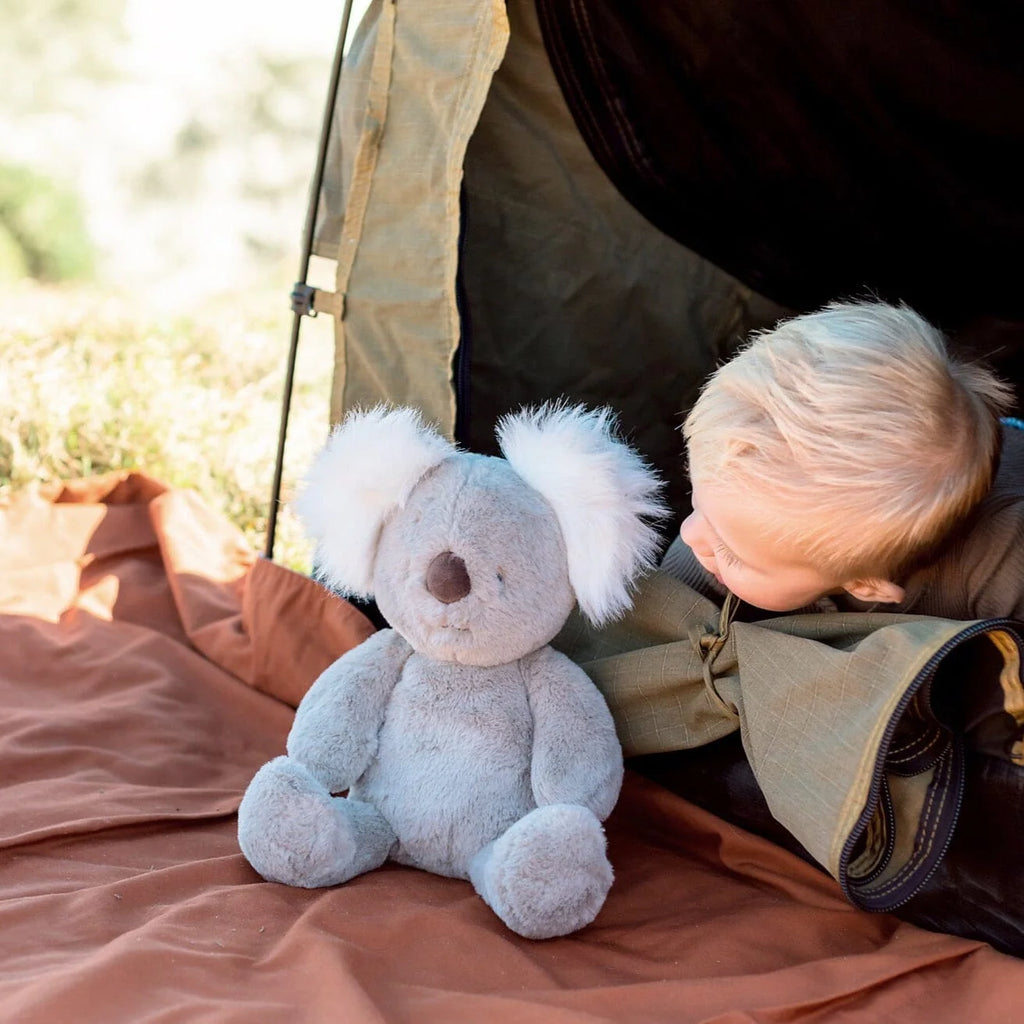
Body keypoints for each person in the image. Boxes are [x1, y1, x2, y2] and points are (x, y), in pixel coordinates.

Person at [667, 299, 1024, 620]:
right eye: (697, 502)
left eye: (731, 555)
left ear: (865, 586)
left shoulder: (1005, 567)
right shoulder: (728, 523)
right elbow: (666, 611)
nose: (690, 534)